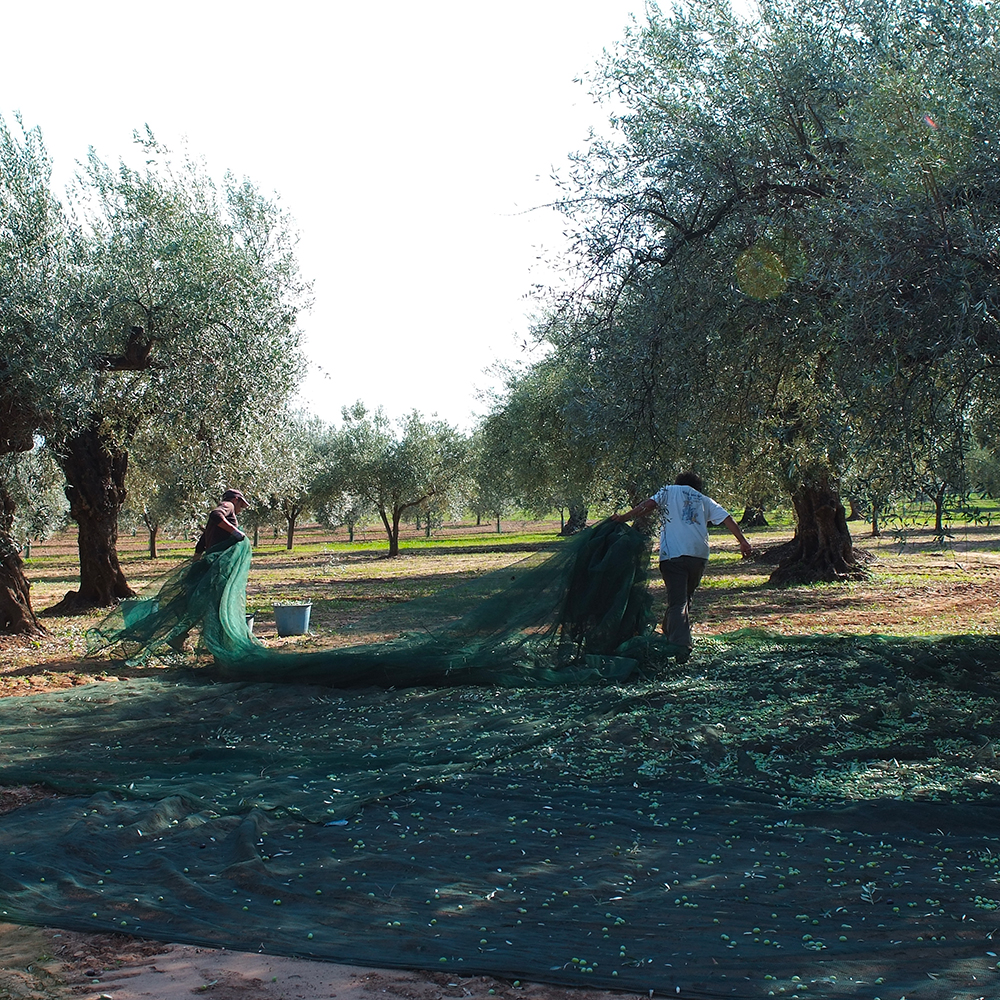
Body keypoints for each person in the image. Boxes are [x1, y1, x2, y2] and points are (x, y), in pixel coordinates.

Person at [612, 472, 753, 661]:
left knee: (678, 601)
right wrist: (743, 542)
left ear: (677, 483)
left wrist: (624, 518)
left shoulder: (669, 491)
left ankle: (680, 646)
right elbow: (728, 518)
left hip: (673, 556)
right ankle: (670, 633)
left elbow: (649, 506)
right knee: (684, 598)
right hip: (698, 556)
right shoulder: (704, 499)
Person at [195, 488, 251, 556]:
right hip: (220, 557)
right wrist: (235, 532)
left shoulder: (219, 522)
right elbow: (215, 514)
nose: (240, 510)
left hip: (214, 556)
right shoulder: (229, 505)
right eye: (241, 506)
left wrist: (196, 558)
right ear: (235, 500)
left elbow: (204, 538)